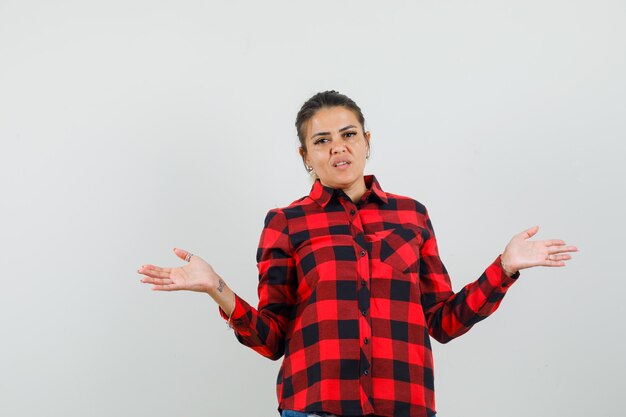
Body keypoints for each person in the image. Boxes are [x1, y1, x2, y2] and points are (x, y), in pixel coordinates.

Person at [138, 91, 577, 417]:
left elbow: (443, 322)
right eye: (322, 140)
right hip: (314, 407)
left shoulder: (412, 216)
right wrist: (217, 288)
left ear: (367, 140)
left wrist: (504, 268)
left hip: (405, 406)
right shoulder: (285, 222)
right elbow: (273, 338)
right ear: (305, 155)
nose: (338, 147)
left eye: (348, 135)